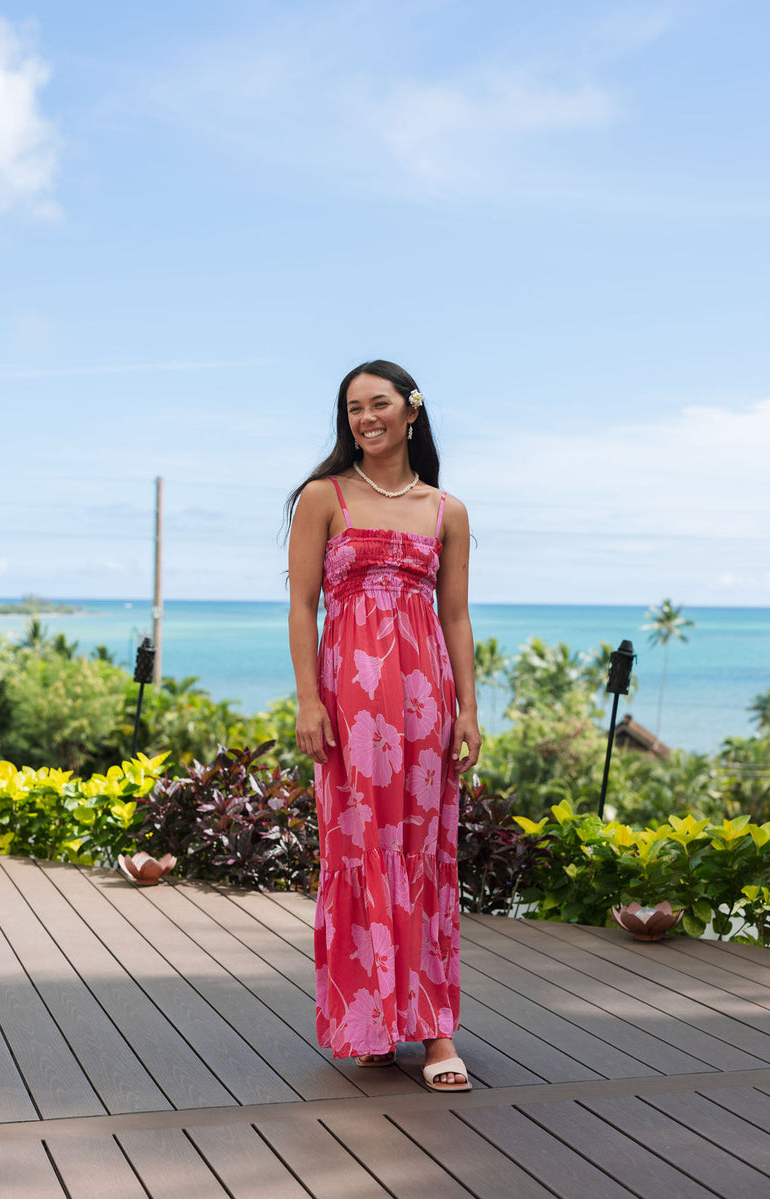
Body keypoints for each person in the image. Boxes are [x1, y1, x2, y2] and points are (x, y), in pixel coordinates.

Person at [286, 359, 480, 1092]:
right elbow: (302, 605)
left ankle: (434, 1031)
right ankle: (369, 1020)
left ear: (410, 411)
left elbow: (455, 615)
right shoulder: (324, 497)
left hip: (425, 699)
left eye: (378, 404)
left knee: (424, 848)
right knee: (362, 844)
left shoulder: (446, 510)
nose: (365, 418)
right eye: (352, 408)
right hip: (350, 701)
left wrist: (469, 707)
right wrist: (309, 700)